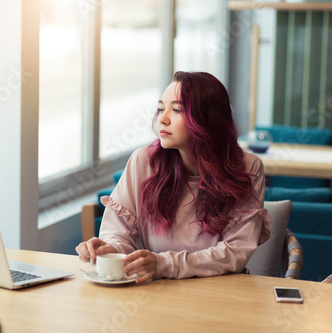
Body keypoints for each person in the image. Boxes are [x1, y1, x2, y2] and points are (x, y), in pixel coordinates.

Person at [76, 71, 271, 284]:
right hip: (157, 291)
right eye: (161, 108)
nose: (163, 119)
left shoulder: (247, 167)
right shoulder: (143, 161)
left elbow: (236, 252)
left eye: (176, 110)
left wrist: (164, 264)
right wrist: (110, 249)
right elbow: (118, 233)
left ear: (208, 119)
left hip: (220, 293)